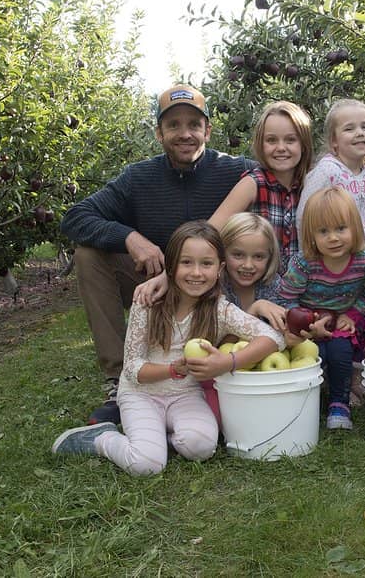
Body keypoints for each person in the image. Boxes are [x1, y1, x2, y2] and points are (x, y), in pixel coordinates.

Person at [60, 84, 254, 425]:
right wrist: (130, 237)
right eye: (173, 125)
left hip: (214, 287)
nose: (185, 134)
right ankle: (119, 380)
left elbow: (290, 174)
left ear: (208, 130)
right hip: (156, 283)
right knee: (89, 255)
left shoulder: (232, 170)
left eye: (193, 124)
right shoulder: (139, 177)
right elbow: (76, 217)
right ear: (159, 133)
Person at [51, 221, 283, 476]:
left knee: (202, 447)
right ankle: (101, 439)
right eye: (186, 263)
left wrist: (228, 362)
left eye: (206, 264)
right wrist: (173, 369)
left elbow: (272, 337)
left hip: (185, 395)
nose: (196, 272)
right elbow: (132, 369)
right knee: (146, 465)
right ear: (170, 267)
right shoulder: (149, 303)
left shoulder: (220, 310)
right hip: (142, 393)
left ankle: (156, 439)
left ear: (220, 269)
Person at [278, 187, 365, 430]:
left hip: (344, 321)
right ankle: (308, 403)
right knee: (314, 356)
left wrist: (353, 315)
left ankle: (339, 402)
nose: (333, 238)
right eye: (323, 231)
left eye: (340, 228)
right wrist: (306, 325)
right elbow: (287, 297)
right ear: (311, 235)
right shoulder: (304, 263)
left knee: (339, 352)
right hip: (308, 323)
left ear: (355, 228)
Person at [208, 101, 315, 271]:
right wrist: (169, 275)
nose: (281, 148)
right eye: (271, 140)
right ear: (261, 144)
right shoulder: (253, 184)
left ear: (303, 144)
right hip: (259, 288)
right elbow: (209, 234)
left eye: (290, 140)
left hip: (302, 288)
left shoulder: (311, 185)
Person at [296, 99, 365, 245]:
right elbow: (304, 215)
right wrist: (307, 255)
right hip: (328, 258)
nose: (359, 133)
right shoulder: (327, 171)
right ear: (334, 141)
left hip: (357, 257)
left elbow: (364, 212)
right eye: (349, 129)